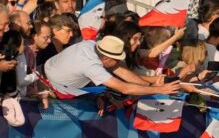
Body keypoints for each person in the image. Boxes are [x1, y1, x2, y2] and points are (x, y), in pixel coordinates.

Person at [44, 36, 182, 98]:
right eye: (117, 60)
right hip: (49, 87)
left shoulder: (92, 45)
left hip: (50, 75)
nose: (119, 63)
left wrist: (152, 84)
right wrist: (159, 90)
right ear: (106, 58)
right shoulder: (91, 66)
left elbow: (124, 74)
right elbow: (124, 88)